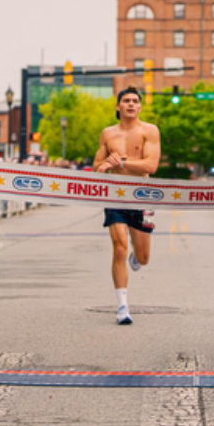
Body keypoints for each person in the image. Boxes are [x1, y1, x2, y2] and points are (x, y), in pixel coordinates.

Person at [93, 87, 161, 325]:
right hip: (115, 196)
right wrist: (104, 166)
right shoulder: (107, 133)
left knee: (143, 257)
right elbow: (97, 166)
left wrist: (121, 161)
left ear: (140, 106)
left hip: (142, 196)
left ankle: (137, 259)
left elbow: (151, 166)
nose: (131, 104)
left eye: (134, 101)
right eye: (126, 100)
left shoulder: (149, 131)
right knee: (119, 248)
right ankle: (122, 307)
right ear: (118, 106)